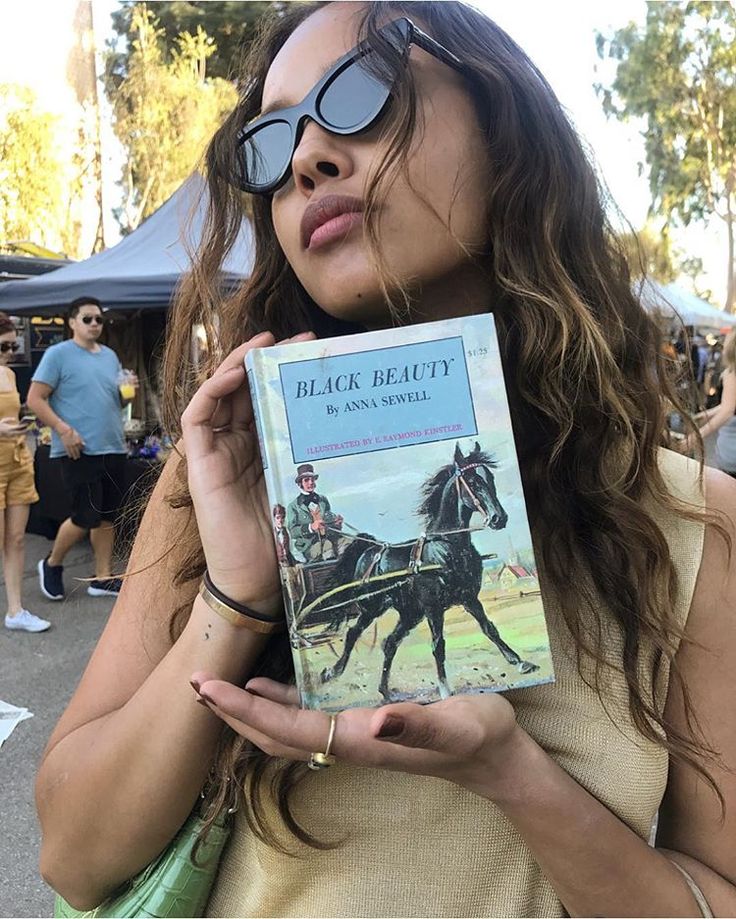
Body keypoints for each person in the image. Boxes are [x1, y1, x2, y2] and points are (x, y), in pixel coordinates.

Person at [36, 4, 735, 918]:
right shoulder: (229, 476)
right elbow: (72, 857)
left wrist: (512, 771)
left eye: (363, 93)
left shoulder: (688, 522)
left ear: (503, 120)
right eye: (271, 141)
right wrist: (242, 593)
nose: (306, 159)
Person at [27, 297, 137, 601]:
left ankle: (102, 578)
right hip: (79, 448)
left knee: (107, 516)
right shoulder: (58, 354)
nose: (94, 325)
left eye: (99, 320)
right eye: (87, 319)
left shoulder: (110, 356)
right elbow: (35, 399)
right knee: (85, 515)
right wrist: (64, 431)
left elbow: (119, 401)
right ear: (72, 322)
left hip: (112, 446)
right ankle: (51, 563)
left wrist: (128, 393)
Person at [0, 313, 49, 633]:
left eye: (12, 346)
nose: (9, 352)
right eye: (4, 346)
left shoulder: (7, 374)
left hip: (17, 459)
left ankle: (15, 610)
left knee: (17, 539)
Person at [680, 328, 736, 475]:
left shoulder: (732, 372)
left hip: (732, 450)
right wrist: (705, 414)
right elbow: (730, 404)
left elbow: (728, 410)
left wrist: (695, 438)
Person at [286, 463, 347, 561]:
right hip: (310, 545)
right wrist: (311, 527)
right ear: (299, 484)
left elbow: (328, 520)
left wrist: (336, 524)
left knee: (347, 543)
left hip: (330, 537)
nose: (310, 483)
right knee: (328, 548)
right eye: (306, 480)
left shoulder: (323, 500)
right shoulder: (293, 506)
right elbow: (293, 532)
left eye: (312, 479)